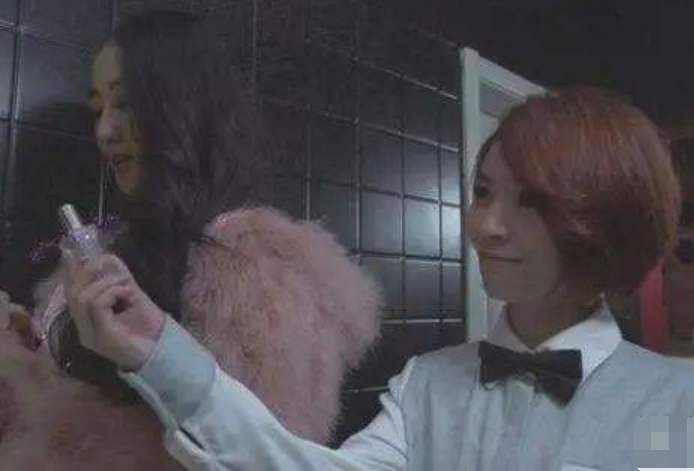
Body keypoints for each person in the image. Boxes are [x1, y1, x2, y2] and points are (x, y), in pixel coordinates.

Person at [64, 87, 694, 470]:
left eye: (530, 202)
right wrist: (158, 351)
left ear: (605, 226)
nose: (485, 226)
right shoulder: (427, 383)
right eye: (482, 193)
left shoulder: (677, 403)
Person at [0, 10, 381, 470]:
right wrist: (23, 352)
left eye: (125, 103)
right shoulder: (115, 245)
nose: (104, 131)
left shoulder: (258, 268)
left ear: (185, 104)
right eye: (98, 109)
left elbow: (250, 456)